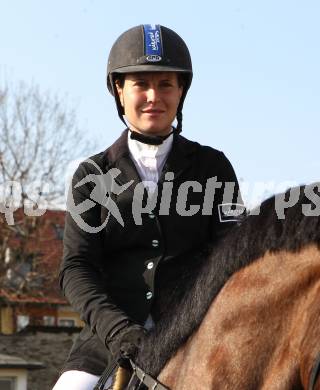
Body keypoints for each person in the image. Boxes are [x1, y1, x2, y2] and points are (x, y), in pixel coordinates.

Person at [53, 24, 244, 390]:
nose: (154, 96)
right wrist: (118, 329)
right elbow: (77, 268)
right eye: (141, 83)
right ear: (119, 91)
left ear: (181, 91)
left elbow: (231, 257)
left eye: (166, 84)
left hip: (196, 336)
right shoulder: (91, 175)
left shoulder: (213, 167)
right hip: (108, 341)